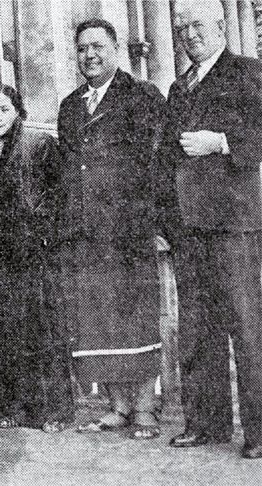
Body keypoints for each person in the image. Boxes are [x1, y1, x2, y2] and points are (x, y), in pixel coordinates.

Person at [156, 0, 262, 459]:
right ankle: (208, 424)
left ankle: (259, 430)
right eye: (181, 27)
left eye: (196, 24)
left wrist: (221, 142)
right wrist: (164, 219)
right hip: (189, 227)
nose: (189, 34)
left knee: (247, 325)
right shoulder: (179, 87)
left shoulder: (247, 71)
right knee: (199, 327)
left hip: (235, 224)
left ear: (220, 25)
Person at [56, 18, 166, 439]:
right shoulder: (70, 105)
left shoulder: (141, 96)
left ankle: (145, 409)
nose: (90, 55)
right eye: (83, 48)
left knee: (134, 316)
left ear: (116, 49)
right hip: (84, 230)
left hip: (126, 229)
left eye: (98, 46)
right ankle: (118, 406)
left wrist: (152, 221)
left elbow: (154, 164)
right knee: (99, 319)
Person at [0, 83, 73, 432]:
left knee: (40, 332)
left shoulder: (38, 146)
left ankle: (52, 411)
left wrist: (43, 231)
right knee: (0, 334)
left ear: (17, 113)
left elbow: (60, 195)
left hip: (31, 254)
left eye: (4, 109)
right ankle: (9, 407)